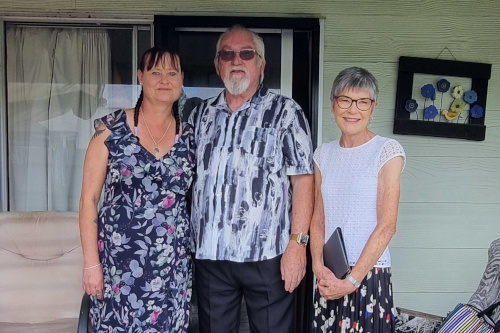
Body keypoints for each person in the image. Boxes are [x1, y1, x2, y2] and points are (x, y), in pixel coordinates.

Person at [188, 25, 314, 332]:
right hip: (211, 255)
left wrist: (298, 245)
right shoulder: (198, 116)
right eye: (227, 54)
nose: (236, 60)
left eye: (246, 53)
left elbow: (303, 182)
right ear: (218, 65)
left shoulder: (286, 112)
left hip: (268, 255)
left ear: (261, 64)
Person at [79, 47, 195, 333]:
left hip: (171, 268)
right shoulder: (110, 130)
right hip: (119, 267)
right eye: (156, 72)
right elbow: (88, 200)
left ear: (181, 80)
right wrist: (91, 265)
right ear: (141, 77)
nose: (164, 79)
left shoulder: (190, 137)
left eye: (172, 73)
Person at [310, 67, 406, 332]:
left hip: (368, 276)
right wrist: (319, 267)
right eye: (345, 100)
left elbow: (387, 225)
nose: (353, 110)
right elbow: (318, 218)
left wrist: (352, 281)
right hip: (330, 274)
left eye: (363, 102)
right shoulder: (323, 155)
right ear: (332, 105)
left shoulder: (386, 151)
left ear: (373, 108)